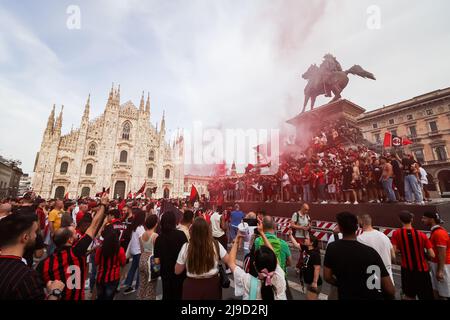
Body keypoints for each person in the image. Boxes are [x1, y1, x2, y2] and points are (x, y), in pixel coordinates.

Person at [37, 194, 108, 300]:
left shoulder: (44, 264)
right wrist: (103, 205)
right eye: (74, 233)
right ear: (69, 240)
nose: (76, 232)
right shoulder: (77, 252)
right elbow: (93, 226)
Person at [323, 212, 395, 300]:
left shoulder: (332, 248)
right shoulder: (371, 252)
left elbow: (327, 276)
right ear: (357, 227)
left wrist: (341, 284)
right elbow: (390, 289)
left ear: (340, 228)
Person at [0, 212, 65, 300]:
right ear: (25, 237)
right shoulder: (26, 277)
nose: (36, 236)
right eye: (35, 232)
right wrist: (54, 293)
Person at [228, 220, 287, 300]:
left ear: (254, 264)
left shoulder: (248, 281)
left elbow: (231, 263)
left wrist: (237, 239)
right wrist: (262, 233)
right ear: (275, 263)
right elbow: (273, 254)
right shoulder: (280, 276)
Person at [175, 217, 230, 299]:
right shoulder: (215, 244)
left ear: (192, 231)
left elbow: (177, 271)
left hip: (191, 286)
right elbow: (229, 261)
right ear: (208, 231)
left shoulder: (186, 247)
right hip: (212, 286)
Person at [391, 210, 435, 300]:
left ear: (400, 220)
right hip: (422, 270)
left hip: (407, 270)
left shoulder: (396, 233)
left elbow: (393, 252)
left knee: (409, 295)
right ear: (412, 220)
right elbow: (432, 254)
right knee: (426, 295)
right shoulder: (421, 235)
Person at [154, 211, 188, 300]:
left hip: (165, 272)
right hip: (180, 271)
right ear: (174, 222)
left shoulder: (159, 238)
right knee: (179, 294)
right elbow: (186, 253)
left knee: (166, 293)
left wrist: (157, 271)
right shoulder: (181, 235)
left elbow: (156, 259)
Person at [357, 214, 395, 283]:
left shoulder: (360, 239)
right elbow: (393, 256)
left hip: (372, 278)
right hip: (388, 276)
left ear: (361, 223)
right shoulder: (384, 236)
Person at [421, 212, 450, 299]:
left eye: (424, 218)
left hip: (443, 265)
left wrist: (440, 270)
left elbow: (442, 253)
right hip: (437, 264)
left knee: (444, 293)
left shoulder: (439, 233)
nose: (422, 220)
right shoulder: (435, 231)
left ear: (431, 219)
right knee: (437, 290)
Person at [289, 231, 322, 300]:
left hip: (314, 283)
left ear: (311, 243)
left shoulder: (315, 254)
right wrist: (290, 235)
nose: (305, 239)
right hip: (309, 281)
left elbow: (317, 268)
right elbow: (296, 244)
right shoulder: (306, 248)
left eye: (307, 239)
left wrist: (314, 282)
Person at [95, 229, 126, 300]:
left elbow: (96, 262)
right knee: (109, 297)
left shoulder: (100, 249)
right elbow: (123, 263)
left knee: (100, 297)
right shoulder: (120, 250)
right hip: (113, 278)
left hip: (100, 278)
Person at [123, 209, 146, 294]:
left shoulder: (135, 226)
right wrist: (144, 252)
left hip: (134, 250)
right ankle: (137, 286)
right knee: (140, 270)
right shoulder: (140, 228)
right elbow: (141, 241)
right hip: (138, 251)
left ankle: (128, 284)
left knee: (133, 268)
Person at [138, 214, 159, 300]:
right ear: (155, 224)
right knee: (151, 285)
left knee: (142, 283)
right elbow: (157, 252)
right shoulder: (155, 236)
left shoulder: (142, 235)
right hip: (152, 261)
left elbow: (142, 250)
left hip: (142, 258)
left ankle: (140, 298)